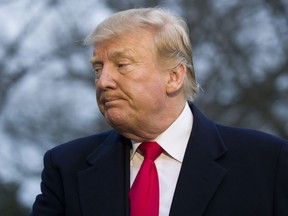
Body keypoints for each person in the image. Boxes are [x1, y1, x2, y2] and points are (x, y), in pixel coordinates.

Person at [30, 7, 288, 216]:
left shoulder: (268, 162)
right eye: (98, 69)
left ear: (174, 76)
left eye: (122, 65)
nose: (103, 81)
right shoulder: (65, 167)